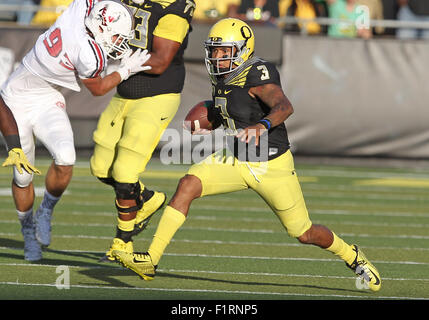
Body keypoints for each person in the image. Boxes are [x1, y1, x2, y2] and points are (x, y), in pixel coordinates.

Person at [112, 18, 382, 292]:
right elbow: (228, 112)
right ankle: (151, 260)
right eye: (214, 50)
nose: (216, 57)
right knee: (187, 184)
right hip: (236, 158)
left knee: (303, 232)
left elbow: (284, 106)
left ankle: (352, 256)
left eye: (223, 51)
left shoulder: (257, 73)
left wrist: (261, 125)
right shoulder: (222, 78)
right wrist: (208, 122)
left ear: (242, 49)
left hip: (271, 165)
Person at [0, 0, 151, 261]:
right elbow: (99, 88)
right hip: (16, 100)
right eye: (116, 35)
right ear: (102, 28)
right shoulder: (88, 51)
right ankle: (28, 234)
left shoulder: (82, 9)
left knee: (66, 157)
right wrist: (125, 70)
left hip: (46, 98)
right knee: (23, 177)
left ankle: (45, 210)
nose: (119, 41)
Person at [89, 0, 196, 263]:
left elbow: (160, 61)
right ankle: (147, 198)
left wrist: (120, 64)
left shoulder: (176, 7)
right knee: (101, 168)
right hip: (125, 90)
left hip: (157, 94)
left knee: (125, 171)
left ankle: (122, 243)